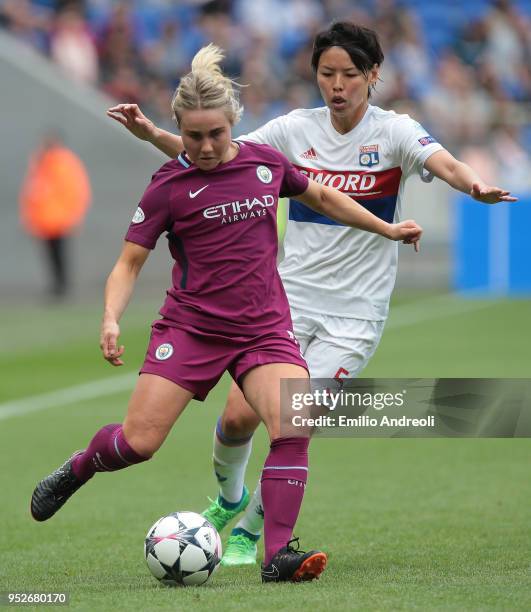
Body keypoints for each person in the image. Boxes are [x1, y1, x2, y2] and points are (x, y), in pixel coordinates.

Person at [107, 21, 517, 567]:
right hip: (286, 303)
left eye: (350, 74)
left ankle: (253, 532)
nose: (338, 85)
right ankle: (229, 503)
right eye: (327, 73)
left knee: (294, 420)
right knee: (234, 420)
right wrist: (156, 134)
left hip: (354, 317)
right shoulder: (292, 130)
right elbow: (215, 152)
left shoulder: (394, 131)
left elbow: (442, 161)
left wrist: (471, 185)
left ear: (373, 76)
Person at [31, 43, 423, 583]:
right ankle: (80, 466)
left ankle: (278, 555)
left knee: (293, 422)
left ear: (233, 124)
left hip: (262, 330)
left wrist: (387, 229)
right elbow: (128, 263)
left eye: (216, 134)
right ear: (180, 130)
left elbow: (326, 199)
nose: (206, 146)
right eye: (193, 136)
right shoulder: (169, 185)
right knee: (138, 443)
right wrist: (110, 318)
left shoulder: (265, 164)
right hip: (191, 329)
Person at [19, 132, 91, 298]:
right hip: (44, 219)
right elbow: (30, 192)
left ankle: (62, 285)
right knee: (50, 255)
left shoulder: (64, 163)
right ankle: (57, 284)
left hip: (60, 218)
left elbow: (76, 191)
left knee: (59, 253)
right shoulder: (39, 162)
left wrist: (75, 216)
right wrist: (29, 217)